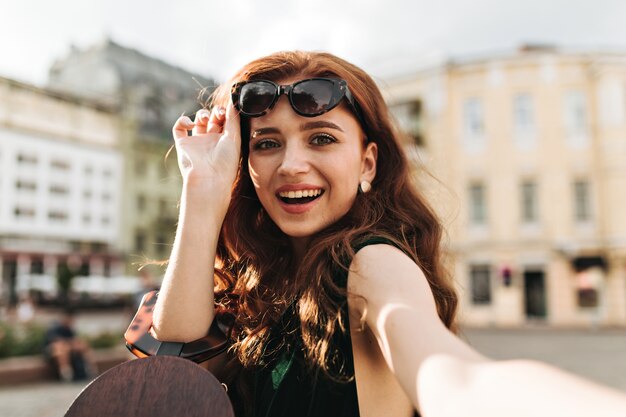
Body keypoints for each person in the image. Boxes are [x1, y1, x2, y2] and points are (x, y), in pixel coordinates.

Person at [143, 51, 626, 416]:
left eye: (322, 138)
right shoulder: (267, 276)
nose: (291, 165)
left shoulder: (369, 262)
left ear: (367, 162)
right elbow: (178, 338)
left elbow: (454, 375)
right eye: (267, 144)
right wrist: (203, 188)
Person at [44, 309, 96, 382]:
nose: (71, 321)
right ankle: (66, 374)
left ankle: (90, 369)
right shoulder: (54, 327)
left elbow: (74, 340)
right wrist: (70, 344)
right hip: (54, 351)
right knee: (61, 348)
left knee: (82, 344)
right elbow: (55, 341)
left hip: (67, 349)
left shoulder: (69, 330)